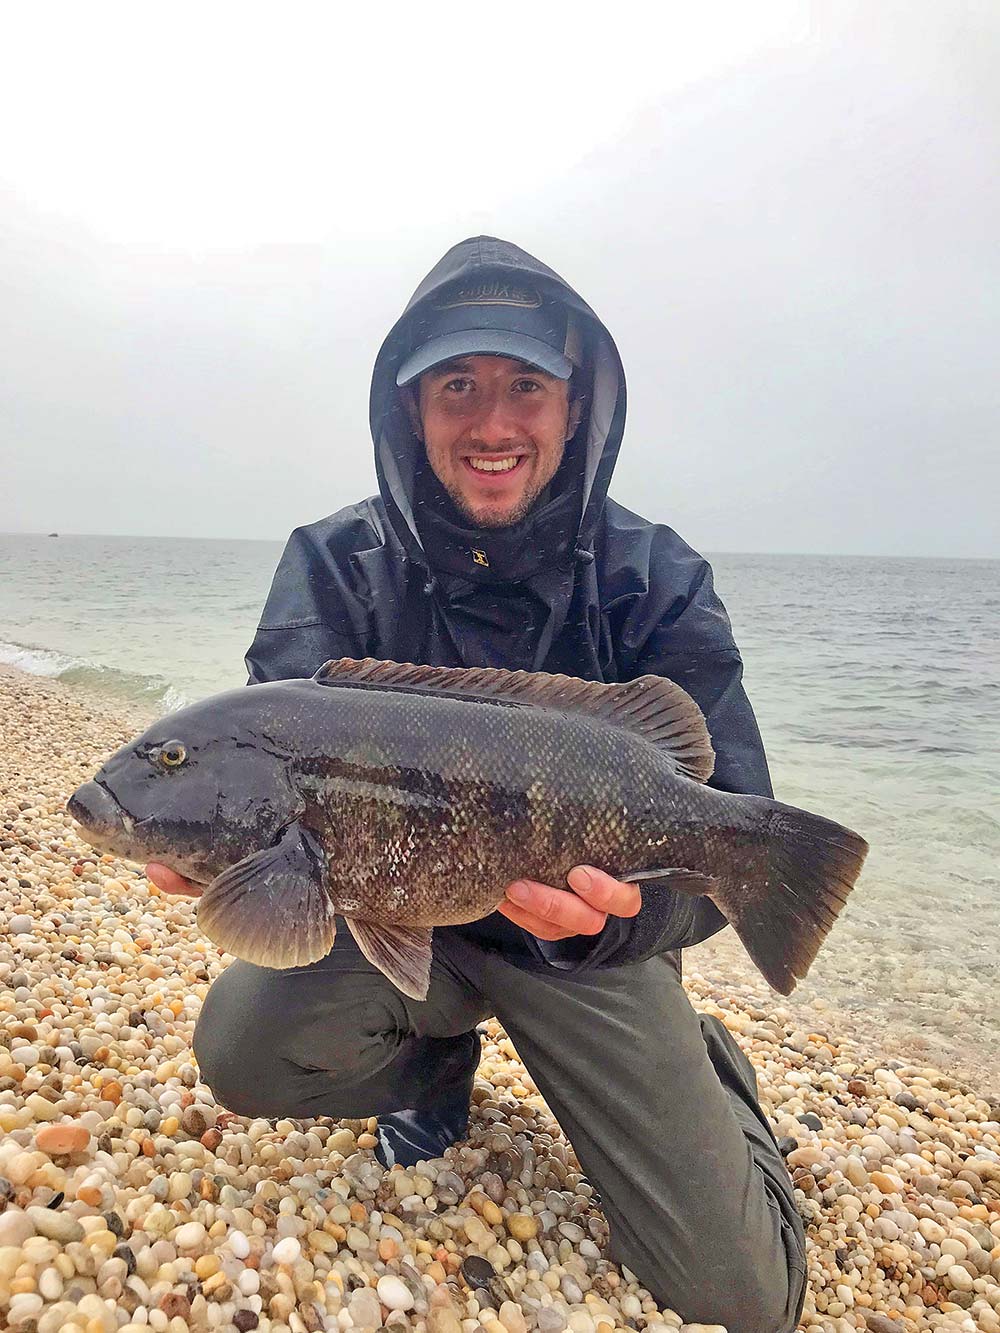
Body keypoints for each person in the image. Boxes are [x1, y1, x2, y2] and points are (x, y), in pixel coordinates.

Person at [147, 237, 808, 1332]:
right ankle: (430, 1065)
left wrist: (618, 918)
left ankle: (709, 1076)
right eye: (457, 386)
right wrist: (228, 863)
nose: (491, 422)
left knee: (743, 1298)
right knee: (241, 1049)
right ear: (411, 408)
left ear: (575, 401)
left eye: (524, 386)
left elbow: (724, 823)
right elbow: (264, 759)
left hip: (584, 949)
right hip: (406, 929)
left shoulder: (659, 577)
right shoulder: (330, 561)